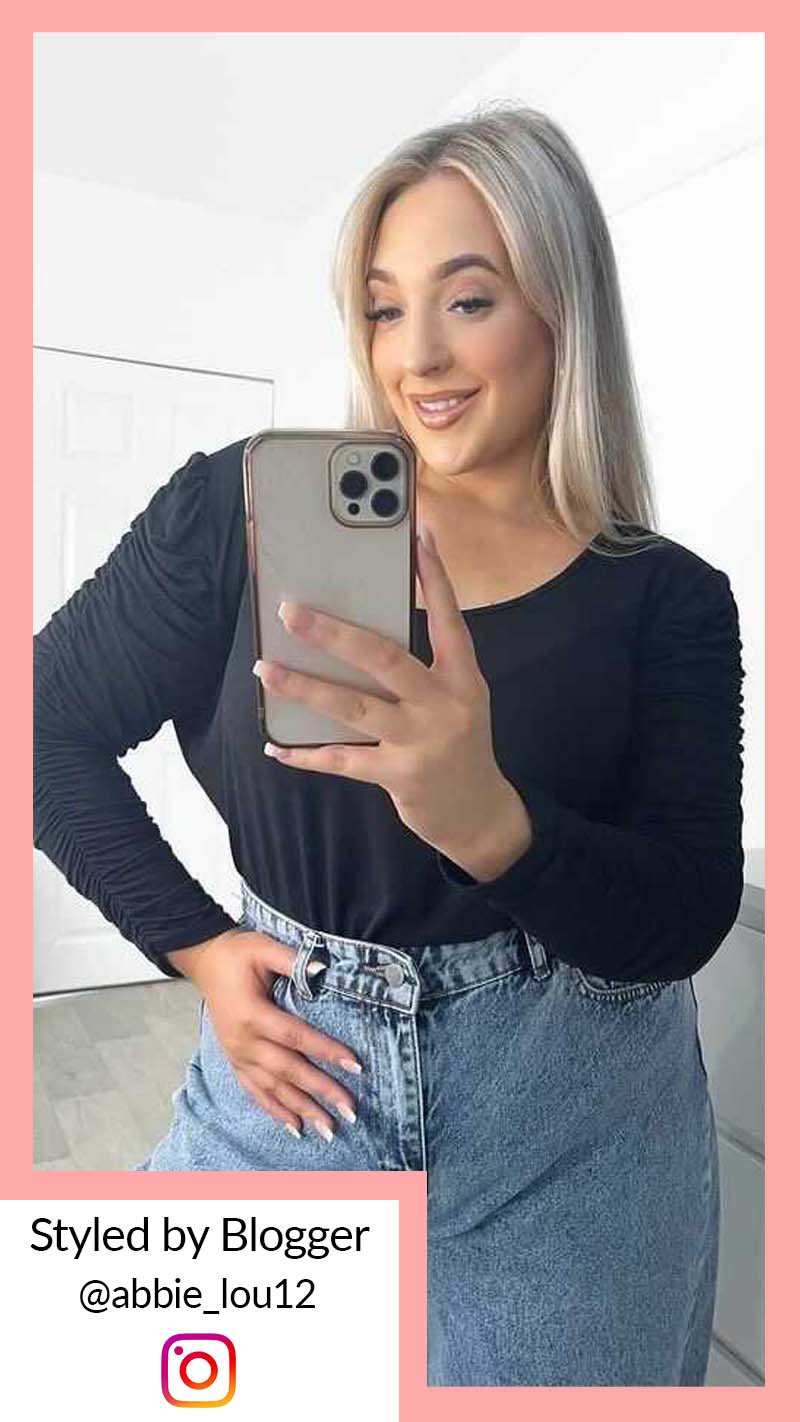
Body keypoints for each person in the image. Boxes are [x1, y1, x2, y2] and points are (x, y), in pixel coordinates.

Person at [33, 106, 744, 1386]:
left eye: (467, 300)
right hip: (290, 1084)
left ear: (560, 308)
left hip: (576, 1132)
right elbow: (41, 730)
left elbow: (685, 914)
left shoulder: (668, 597)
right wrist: (195, 947)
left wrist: (488, 821)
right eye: (381, 308)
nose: (417, 355)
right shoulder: (236, 514)